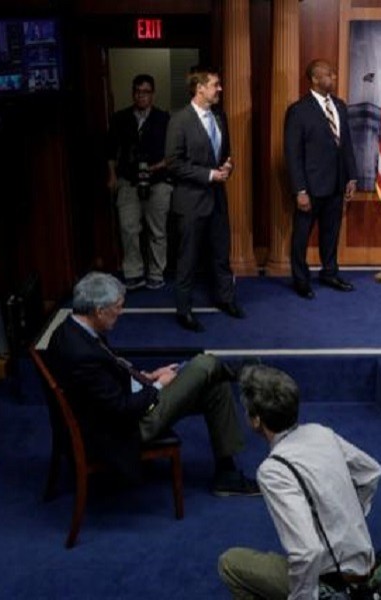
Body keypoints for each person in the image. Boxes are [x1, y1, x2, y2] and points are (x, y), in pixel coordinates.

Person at [45, 271, 259, 496]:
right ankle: (238, 372)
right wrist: (158, 387)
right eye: (117, 307)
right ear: (99, 311)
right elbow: (121, 408)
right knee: (205, 364)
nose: (120, 312)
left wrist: (147, 377)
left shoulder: (72, 330)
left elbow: (105, 382)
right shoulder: (81, 353)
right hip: (125, 428)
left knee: (215, 385)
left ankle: (227, 474)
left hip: (122, 408)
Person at [219, 365, 381, 599]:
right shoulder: (321, 432)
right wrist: (344, 520)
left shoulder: (272, 470)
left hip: (331, 581)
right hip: (364, 566)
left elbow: (307, 552)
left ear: (256, 421)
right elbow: (371, 473)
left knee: (230, 564)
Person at [165, 66, 244, 332]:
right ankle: (184, 311)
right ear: (199, 88)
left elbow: (225, 154)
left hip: (217, 200)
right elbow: (174, 163)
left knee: (221, 254)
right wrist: (210, 174)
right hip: (190, 202)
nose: (219, 89)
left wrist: (227, 167)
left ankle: (226, 299)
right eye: (215, 84)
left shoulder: (219, 116)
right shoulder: (179, 119)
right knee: (188, 259)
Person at [284, 59, 359, 300]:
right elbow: (292, 154)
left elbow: (346, 145)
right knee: (301, 236)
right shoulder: (298, 110)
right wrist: (300, 190)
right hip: (311, 187)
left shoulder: (340, 106)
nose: (334, 78)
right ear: (315, 79)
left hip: (337, 185)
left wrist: (351, 177)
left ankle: (330, 273)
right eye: (329, 74)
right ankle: (301, 280)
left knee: (331, 233)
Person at [106, 74, 172, 292]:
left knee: (157, 230)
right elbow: (110, 151)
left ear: (152, 94)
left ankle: (156, 272)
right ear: (133, 93)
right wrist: (113, 176)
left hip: (158, 179)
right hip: (128, 179)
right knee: (129, 228)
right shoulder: (120, 118)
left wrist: (155, 167)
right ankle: (133, 272)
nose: (141, 95)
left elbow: (174, 153)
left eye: (145, 92)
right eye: (137, 91)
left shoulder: (164, 118)